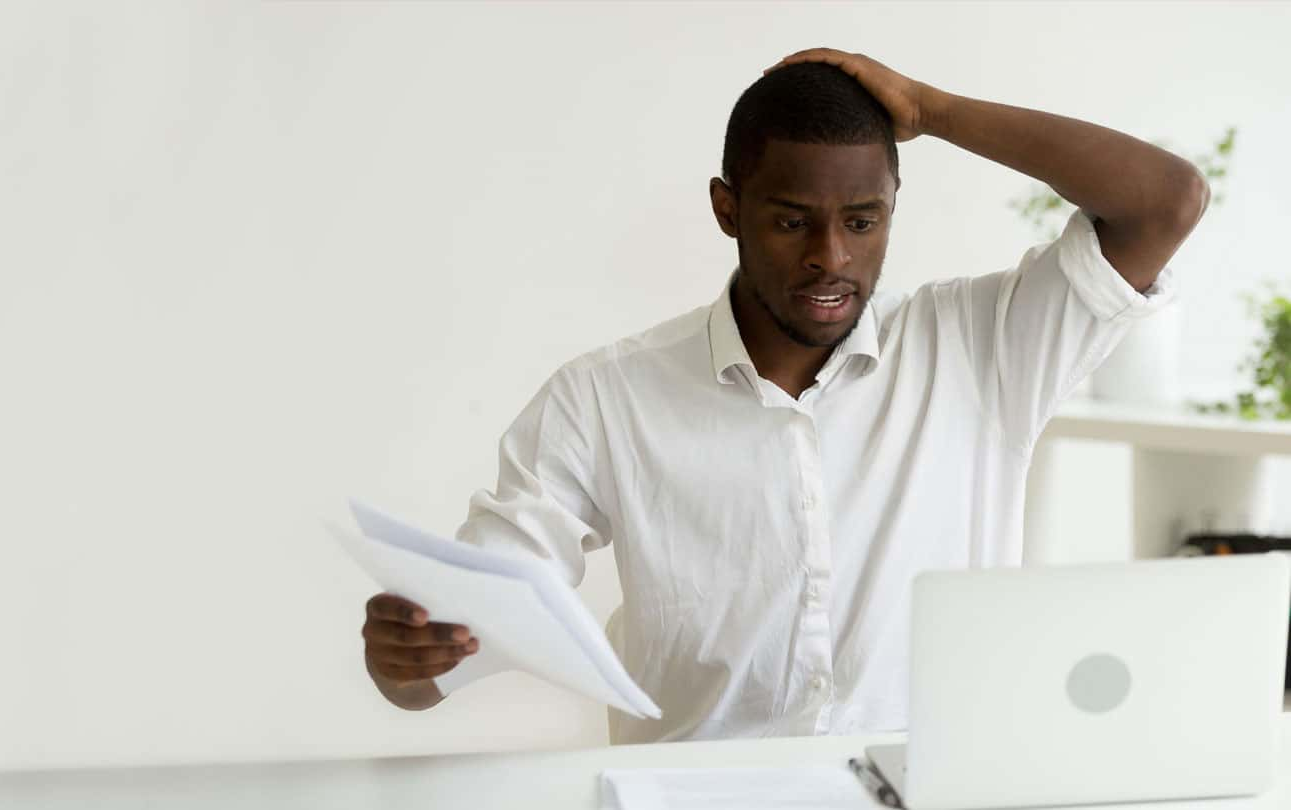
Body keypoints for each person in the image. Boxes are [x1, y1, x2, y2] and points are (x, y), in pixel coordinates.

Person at [360, 48, 1207, 743]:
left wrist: (930, 108)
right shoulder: (604, 398)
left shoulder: (981, 349)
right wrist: (411, 657)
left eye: (863, 221)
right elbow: (452, 650)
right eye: (793, 220)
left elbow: (1167, 201)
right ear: (729, 210)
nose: (831, 258)